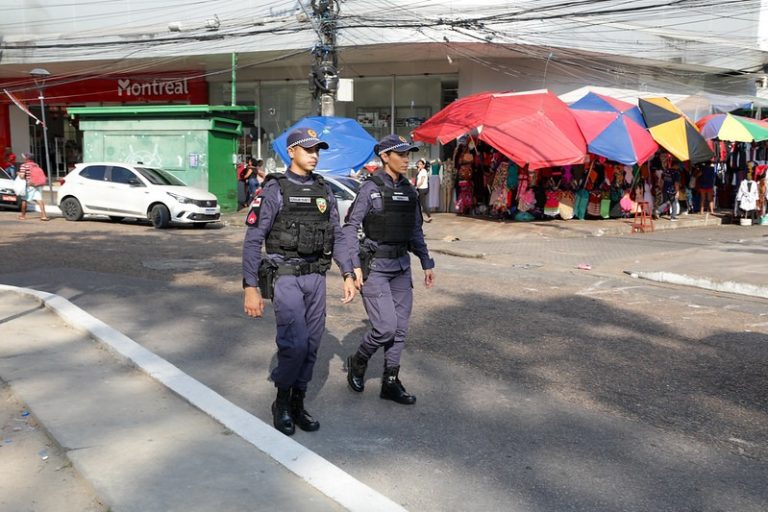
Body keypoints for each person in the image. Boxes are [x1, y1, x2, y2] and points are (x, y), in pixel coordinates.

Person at [242, 127, 356, 436]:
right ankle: (280, 402)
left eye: (317, 149)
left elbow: (338, 234)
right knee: (295, 344)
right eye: (308, 149)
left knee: (313, 345)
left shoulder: (324, 190)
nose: (314, 155)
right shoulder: (274, 189)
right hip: (286, 276)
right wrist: (250, 288)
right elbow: (253, 241)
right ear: (291, 152)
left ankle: (297, 402)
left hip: (316, 277)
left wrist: (347, 271)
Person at [342, 134, 435, 405]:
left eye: (409, 154)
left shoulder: (409, 190)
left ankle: (390, 382)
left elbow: (415, 229)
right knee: (385, 328)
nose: (407, 159)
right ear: (385, 157)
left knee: (401, 328)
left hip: (401, 266)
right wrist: (352, 267)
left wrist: (426, 262)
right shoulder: (369, 189)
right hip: (376, 267)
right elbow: (350, 229)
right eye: (401, 154)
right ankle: (359, 360)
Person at [17, 153, 49, 221]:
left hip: (28, 185)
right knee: (39, 199)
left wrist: (19, 174)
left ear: (27, 158)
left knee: (24, 200)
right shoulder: (36, 165)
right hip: (35, 185)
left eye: (24, 157)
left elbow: (22, 177)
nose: (23, 158)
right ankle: (43, 215)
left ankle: (23, 216)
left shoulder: (24, 166)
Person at [415, 158, 432, 222]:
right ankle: (419, 216)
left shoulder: (424, 171)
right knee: (419, 203)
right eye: (418, 164)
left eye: (420, 164)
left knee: (423, 203)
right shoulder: (421, 171)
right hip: (421, 189)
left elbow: (422, 181)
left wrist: (416, 187)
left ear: (423, 165)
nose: (419, 165)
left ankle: (429, 216)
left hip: (422, 189)